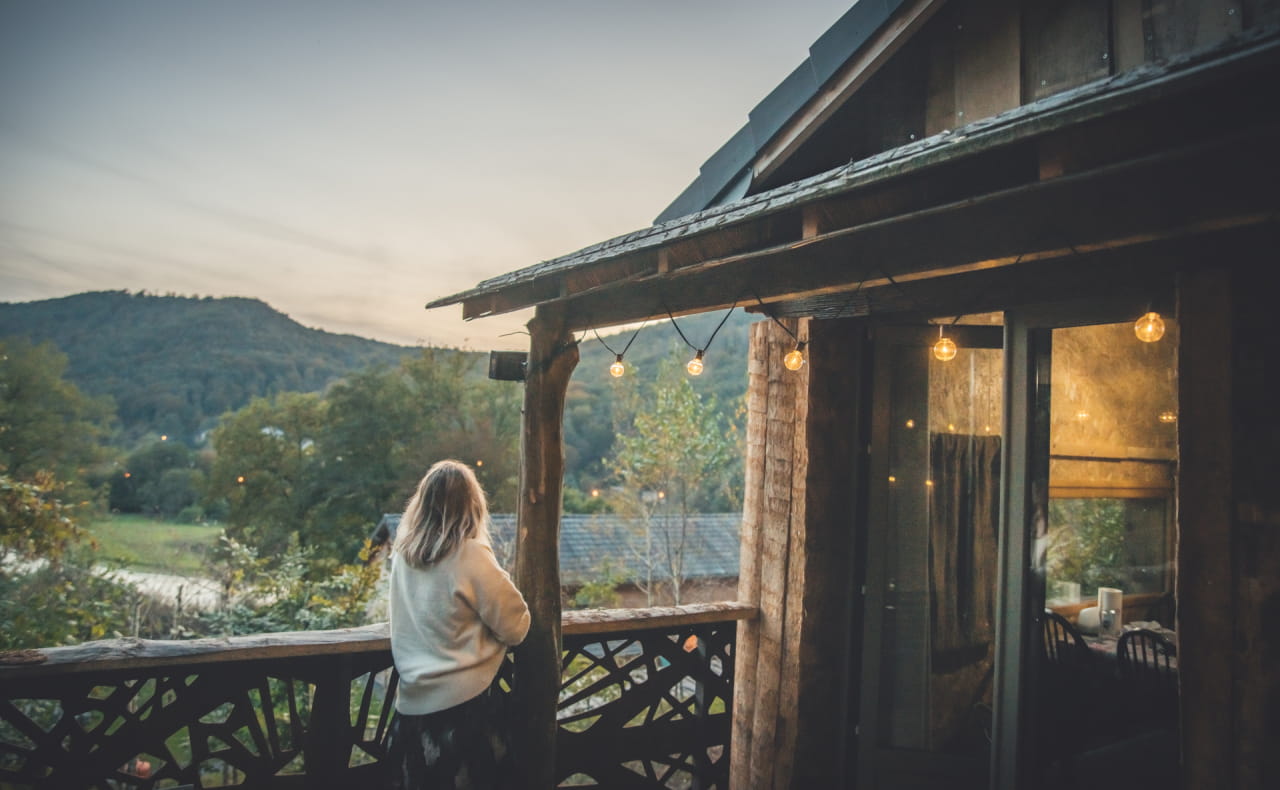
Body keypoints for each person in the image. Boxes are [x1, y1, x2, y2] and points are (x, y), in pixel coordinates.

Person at [384, 460, 530, 790]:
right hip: (466, 712)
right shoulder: (470, 555)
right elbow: (516, 626)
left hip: (411, 712)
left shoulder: (402, 558)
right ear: (472, 503)